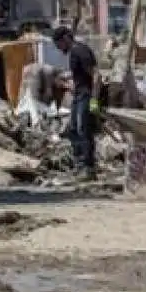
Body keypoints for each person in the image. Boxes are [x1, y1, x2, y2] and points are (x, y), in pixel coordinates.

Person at [52, 25, 98, 180]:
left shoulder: (80, 51)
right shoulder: (74, 52)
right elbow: (79, 76)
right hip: (78, 95)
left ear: (65, 38)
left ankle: (88, 168)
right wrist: (67, 81)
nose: (59, 49)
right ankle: (79, 165)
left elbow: (95, 75)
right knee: (72, 130)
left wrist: (94, 101)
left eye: (59, 44)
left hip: (86, 96)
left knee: (83, 130)